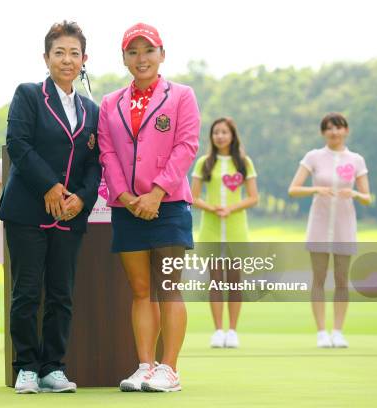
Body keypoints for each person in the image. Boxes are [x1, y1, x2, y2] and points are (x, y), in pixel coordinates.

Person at [0, 21, 101, 394]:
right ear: (46, 57)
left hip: (70, 214)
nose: (67, 60)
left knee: (61, 293)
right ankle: (26, 365)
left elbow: (95, 163)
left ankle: (53, 367)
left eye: (74, 53)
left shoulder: (92, 109)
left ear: (84, 59)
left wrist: (81, 198)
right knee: (27, 292)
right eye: (59, 52)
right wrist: (52, 186)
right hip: (27, 210)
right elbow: (19, 144)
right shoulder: (28, 95)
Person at [98, 23, 200, 392]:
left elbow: (186, 146)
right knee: (140, 290)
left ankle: (169, 369)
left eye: (148, 50)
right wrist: (125, 197)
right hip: (127, 207)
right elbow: (107, 153)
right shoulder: (110, 103)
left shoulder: (182, 95)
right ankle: (145, 365)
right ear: (124, 58)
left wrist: (156, 193)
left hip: (169, 205)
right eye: (133, 52)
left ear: (162, 54)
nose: (141, 59)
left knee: (169, 288)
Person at [288, 112, 371, 348]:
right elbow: (293, 189)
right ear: (323, 132)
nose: (334, 132)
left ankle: (338, 331)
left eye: (338, 127)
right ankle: (321, 332)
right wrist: (316, 190)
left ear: (346, 130)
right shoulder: (313, 157)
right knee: (319, 277)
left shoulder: (356, 160)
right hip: (319, 223)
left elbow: (367, 197)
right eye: (329, 128)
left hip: (345, 224)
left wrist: (354, 193)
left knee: (342, 279)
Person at [191, 117, 259, 348]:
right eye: (216, 132)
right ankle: (218, 330)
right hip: (210, 230)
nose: (220, 136)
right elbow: (193, 196)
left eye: (224, 132)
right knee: (215, 281)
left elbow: (253, 197)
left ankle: (233, 330)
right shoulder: (204, 163)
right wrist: (212, 208)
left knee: (234, 282)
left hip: (235, 229)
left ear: (232, 135)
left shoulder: (244, 163)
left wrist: (230, 208)